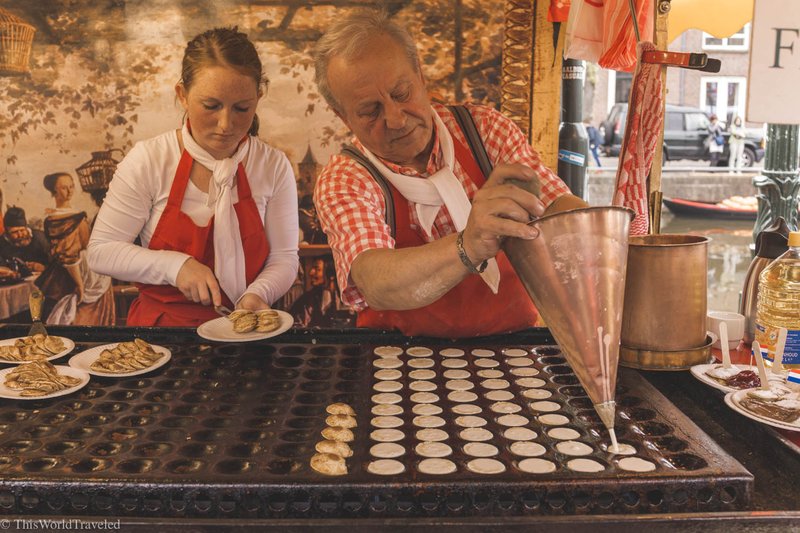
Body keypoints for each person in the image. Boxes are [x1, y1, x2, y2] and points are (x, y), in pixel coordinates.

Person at [312, 11, 588, 338]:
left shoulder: (486, 131)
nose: (396, 119)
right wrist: (466, 246)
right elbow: (375, 281)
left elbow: (557, 207)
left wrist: (598, 235)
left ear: (421, 76)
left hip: (514, 347)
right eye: (370, 111)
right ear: (342, 116)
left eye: (402, 93)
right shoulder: (345, 178)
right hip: (399, 360)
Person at [88, 27, 299, 327]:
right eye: (211, 106)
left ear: (258, 97)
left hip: (245, 332)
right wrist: (175, 266)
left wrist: (257, 295)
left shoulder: (273, 166)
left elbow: (285, 258)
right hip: (162, 336)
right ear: (183, 95)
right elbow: (101, 252)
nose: (226, 124)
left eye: (242, 108)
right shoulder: (150, 160)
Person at [39, 172, 115, 326]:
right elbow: (69, 256)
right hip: (76, 276)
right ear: (54, 191)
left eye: (71, 186)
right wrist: (80, 285)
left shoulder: (74, 215)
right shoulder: (62, 219)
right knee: (78, 317)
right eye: (63, 187)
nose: (69, 191)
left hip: (90, 271)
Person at [0, 207, 50, 273]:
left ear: (26, 227)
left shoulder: (41, 238)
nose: (20, 235)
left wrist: (44, 268)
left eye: (22, 230)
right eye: (15, 232)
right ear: (7, 233)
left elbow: (56, 265)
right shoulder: (1, 243)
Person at [289, 257, 335, 327]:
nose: (311, 272)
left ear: (331, 274)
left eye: (317, 269)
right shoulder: (306, 299)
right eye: (312, 268)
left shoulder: (343, 299)